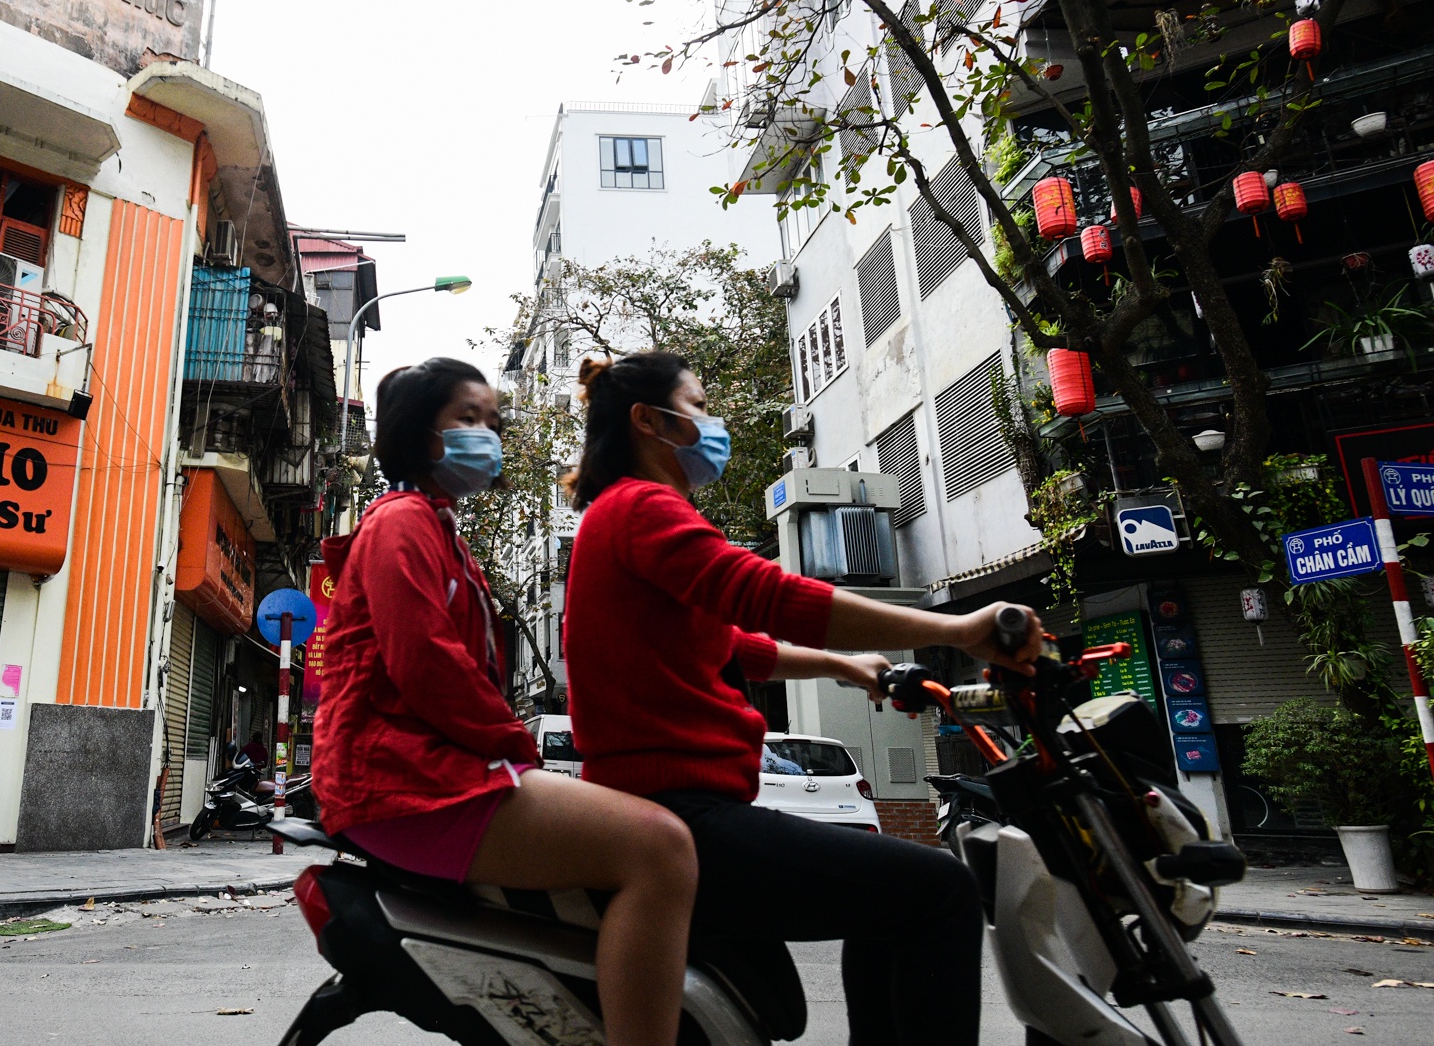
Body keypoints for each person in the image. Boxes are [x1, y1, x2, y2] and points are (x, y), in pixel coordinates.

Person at [561, 352, 1044, 1046]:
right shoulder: (642, 508)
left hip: (681, 806)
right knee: (939, 889)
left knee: (895, 897)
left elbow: (730, 643)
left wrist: (846, 667)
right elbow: (771, 598)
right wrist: (959, 630)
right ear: (649, 420)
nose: (711, 422)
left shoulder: (620, 517)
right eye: (698, 406)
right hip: (682, 815)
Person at [311, 357, 699, 1046]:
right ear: (420, 434)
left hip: (429, 770)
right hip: (401, 780)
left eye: (492, 421)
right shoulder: (400, 522)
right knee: (661, 848)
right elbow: (427, 665)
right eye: (468, 419)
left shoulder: (442, 531)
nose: (486, 434)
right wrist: (519, 751)